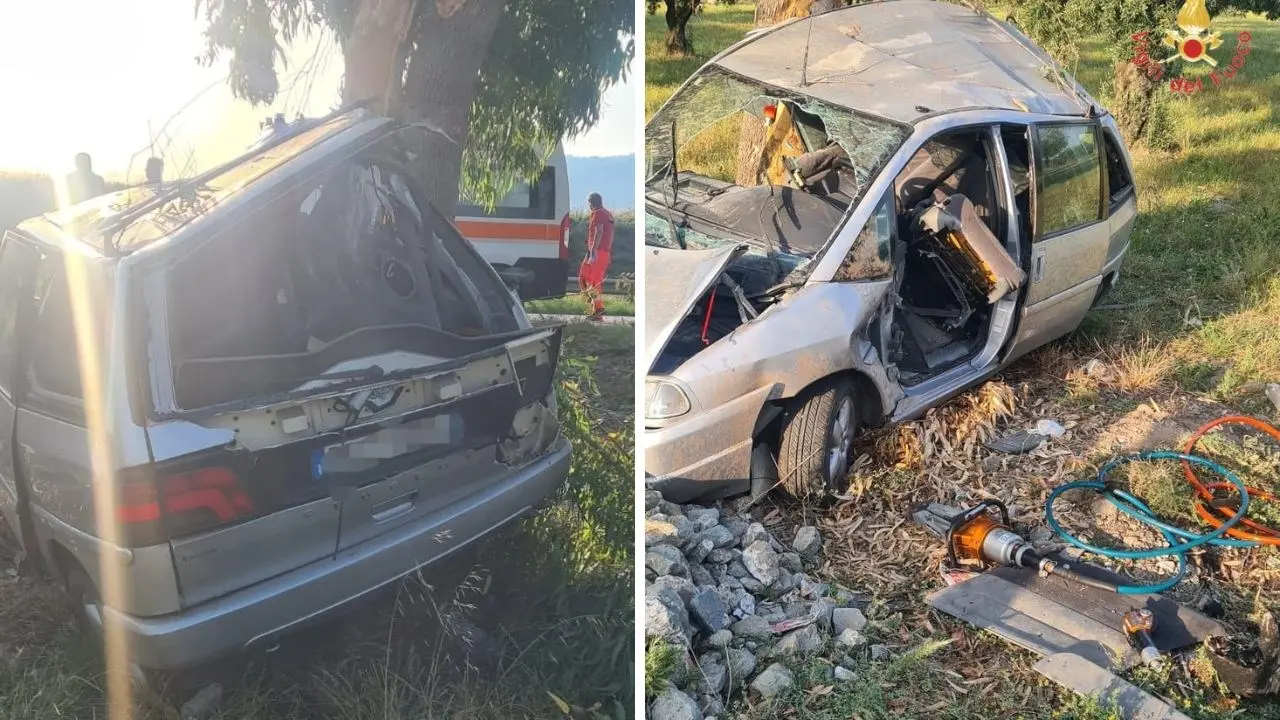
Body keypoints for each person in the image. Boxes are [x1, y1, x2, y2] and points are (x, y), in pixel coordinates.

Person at [579, 192, 614, 320]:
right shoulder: (607, 213)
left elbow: (599, 232)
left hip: (597, 252)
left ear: (591, 203)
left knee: (589, 280)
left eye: (588, 203)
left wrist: (593, 252)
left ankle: (597, 308)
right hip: (603, 252)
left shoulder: (598, 213)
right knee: (590, 279)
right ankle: (596, 308)